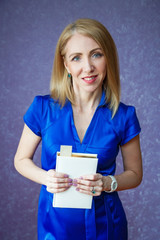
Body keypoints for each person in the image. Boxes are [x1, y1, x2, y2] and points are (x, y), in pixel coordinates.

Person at [14, 18, 143, 240]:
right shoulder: (42, 108)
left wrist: (106, 182)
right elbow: (20, 160)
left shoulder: (124, 115)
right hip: (54, 227)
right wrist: (46, 178)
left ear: (108, 58)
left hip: (107, 226)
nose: (88, 67)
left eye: (96, 54)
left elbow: (135, 175)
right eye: (76, 58)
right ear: (66, 65)